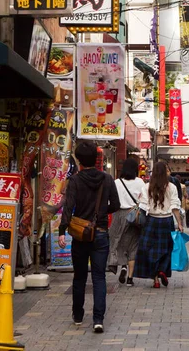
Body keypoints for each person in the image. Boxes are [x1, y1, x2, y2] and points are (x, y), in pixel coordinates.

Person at [59, 142, 120, 333]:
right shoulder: (107, 179)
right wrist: (101, 213)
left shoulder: (75, 181)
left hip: (80, 234)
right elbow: (116, 204)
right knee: (99, 277)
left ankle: (78, 315)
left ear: (78, 160)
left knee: (79, 277)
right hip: (101, 232)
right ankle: (98, 320)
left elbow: (68, 208)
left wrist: (62, 230)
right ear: (96, 158)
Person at [134, 162, 182, 288]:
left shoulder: (146, 187)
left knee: (149, 249)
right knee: (167, 248)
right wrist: (180, 224)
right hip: (167, 221)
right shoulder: (172, 187)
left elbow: (143, 206)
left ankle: (155, 279)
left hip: (151, 221)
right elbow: (175, 206)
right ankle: (162, 270)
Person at [107, 158, 145, 287]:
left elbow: (110, 200)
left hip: (119, 214)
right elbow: (144, 200)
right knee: (133, 245)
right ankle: (130, 278)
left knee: (117, 241)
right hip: (134, 215)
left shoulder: (116, 182)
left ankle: (121, 266)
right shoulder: (140, 182)